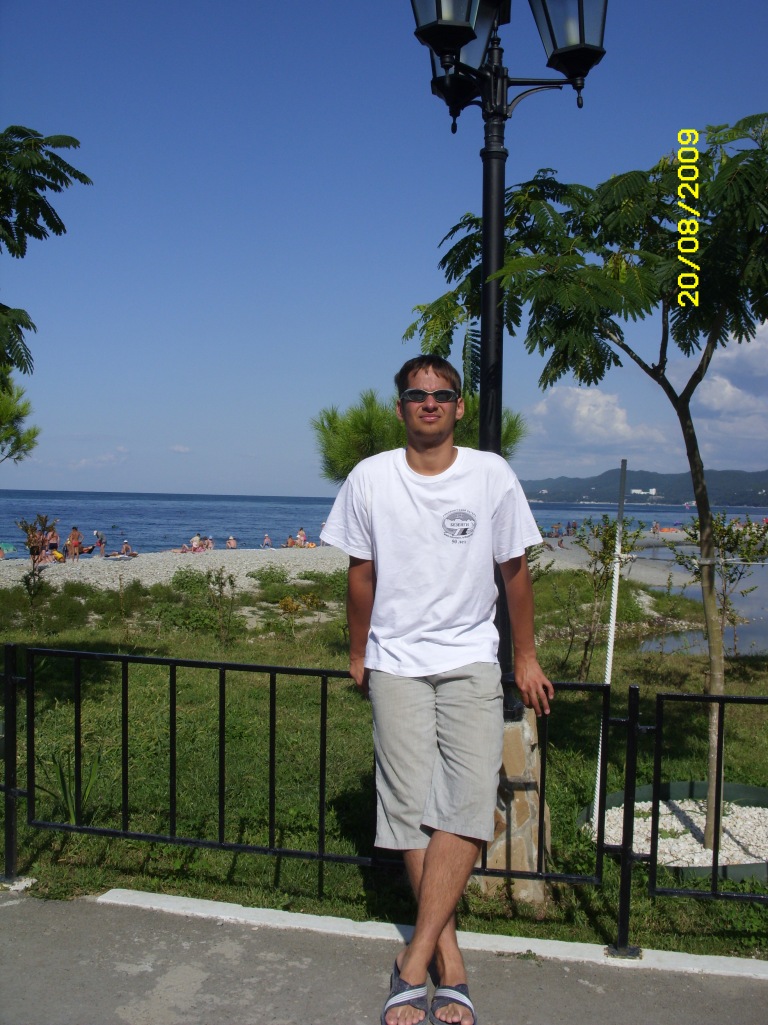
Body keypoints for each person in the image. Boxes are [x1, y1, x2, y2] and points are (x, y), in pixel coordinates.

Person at [320, 355, 552, 1025]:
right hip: (395, 662)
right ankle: (450, 962)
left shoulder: (491, 475)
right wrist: (358, 650)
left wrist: (525, 655)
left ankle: (413, 957)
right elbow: (361, 574)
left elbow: (514, 571)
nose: (429, 403)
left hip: (471, 659)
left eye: (442, 394)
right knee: (407, 808)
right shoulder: (370, 478)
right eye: (417, 395)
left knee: (468, 802)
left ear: (459, 406)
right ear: (400, 407)